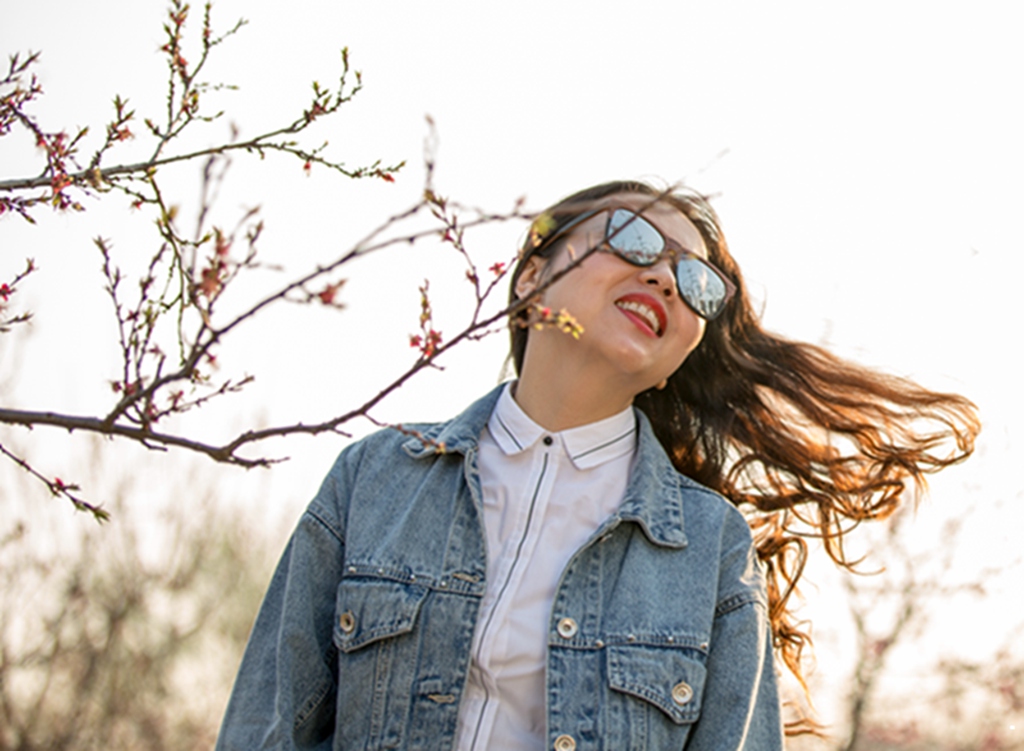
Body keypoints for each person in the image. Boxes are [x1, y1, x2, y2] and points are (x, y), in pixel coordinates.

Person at [216, 180, 979, 750]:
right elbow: (265, 726)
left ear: (680, 354)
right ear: (531, 279)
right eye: (637, 240)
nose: (663, 278)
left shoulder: (710, 550)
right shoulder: (376, 477)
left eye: (696, 282)